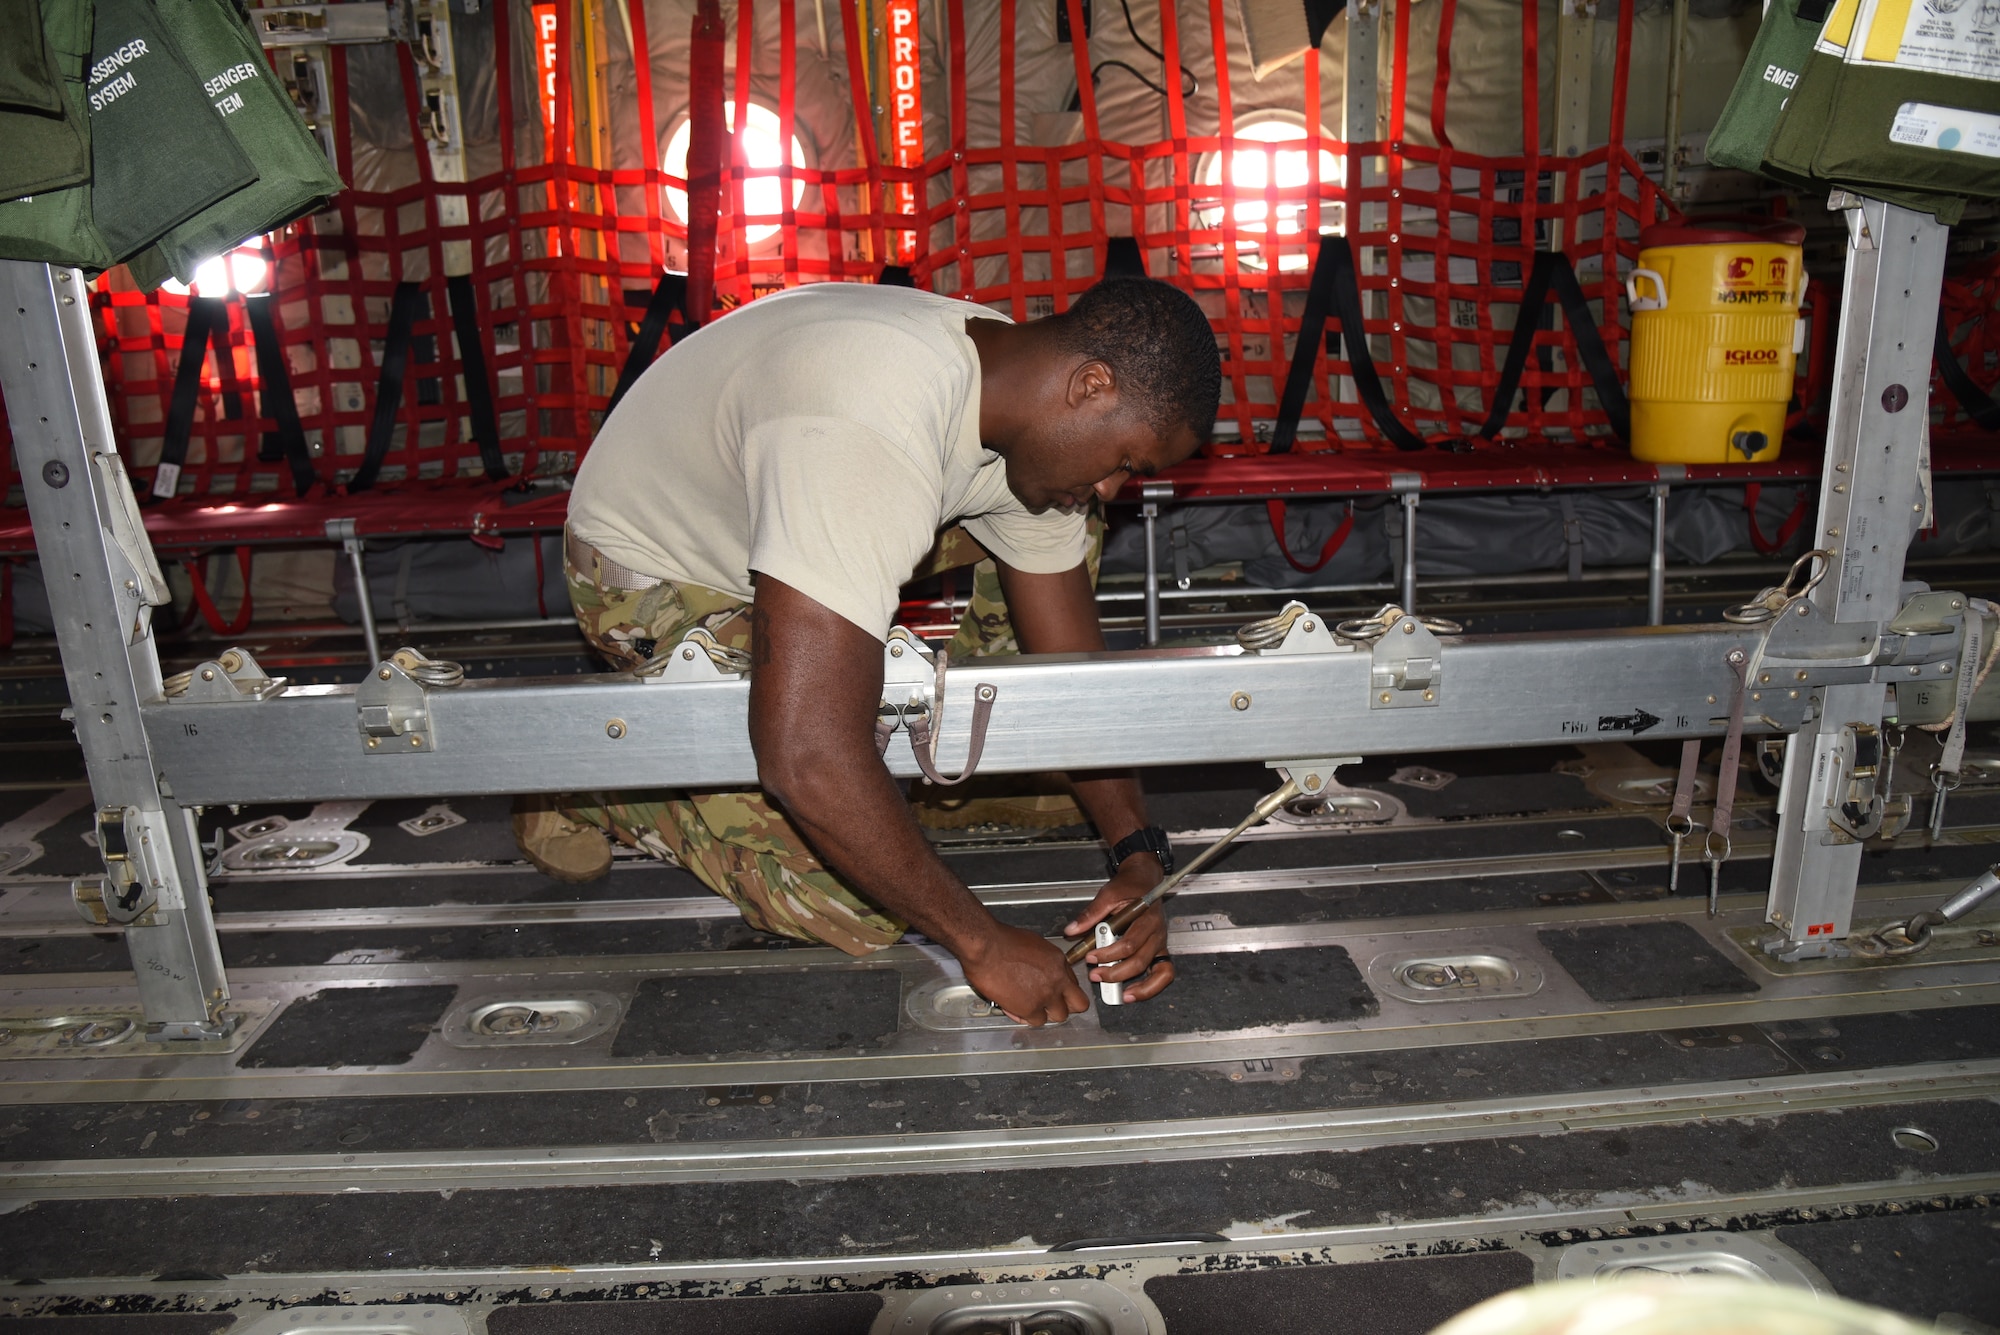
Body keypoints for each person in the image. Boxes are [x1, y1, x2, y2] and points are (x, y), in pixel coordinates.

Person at [518, 276, 1222, 1026]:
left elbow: (1073, 673)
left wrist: (1138, 854)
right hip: (654, 567)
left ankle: (934, 757)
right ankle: (598, 790)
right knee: (850, 902)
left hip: (783, 516)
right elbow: (805, 754)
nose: (1114, 486)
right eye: (1126, 460)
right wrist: (980, 944)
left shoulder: (1018, 399)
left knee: (1063, 522)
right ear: (1090, 385)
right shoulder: (871, 418)